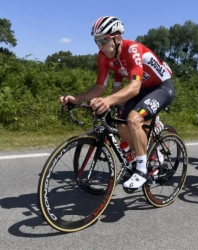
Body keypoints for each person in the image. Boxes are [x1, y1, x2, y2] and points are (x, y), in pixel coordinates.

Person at [59, 16, 175, 189]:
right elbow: (100, 87)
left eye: (104, 40)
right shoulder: (104, 57)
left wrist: (108, 101)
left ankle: (142, 170)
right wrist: (77, 98)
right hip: (142, 90)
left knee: (134, 119)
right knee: (121, 126)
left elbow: (134, 87)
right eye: (97, 42)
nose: (100, 46)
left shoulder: (132, 49)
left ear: (117, 37)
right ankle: (144, 155)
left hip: (161, 87)